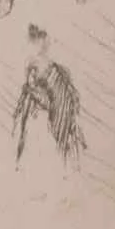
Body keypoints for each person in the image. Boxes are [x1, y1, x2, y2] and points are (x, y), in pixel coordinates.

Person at [13, 24, 85, 165]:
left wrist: (31, 91)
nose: (43, 44)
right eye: (37, 40)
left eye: (42, 40)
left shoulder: (55, 70)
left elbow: (56, 101)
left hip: (53, 121)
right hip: (46, 120)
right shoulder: (34, 65)